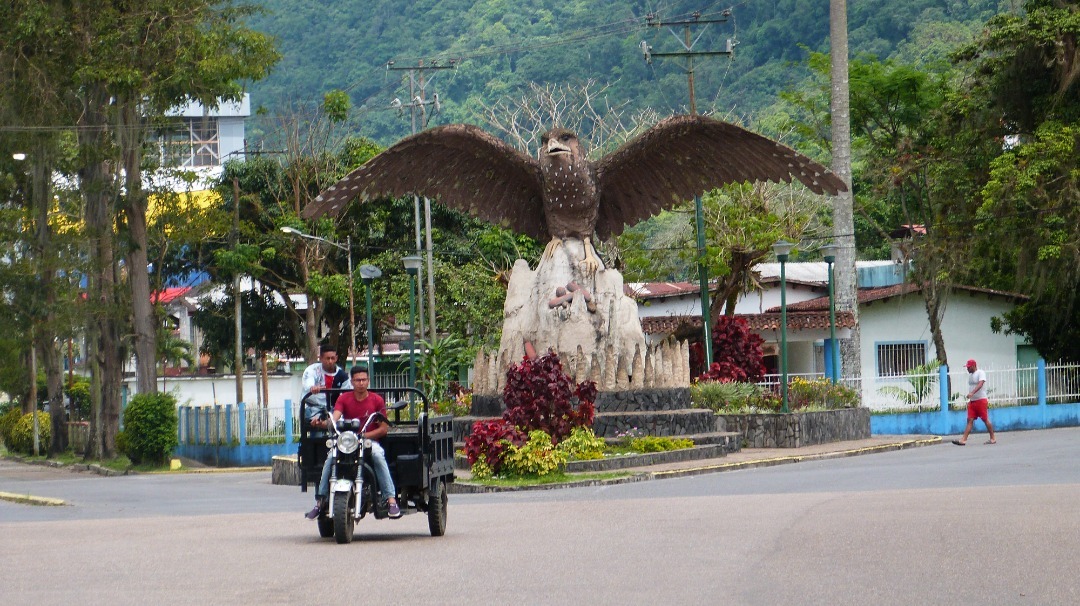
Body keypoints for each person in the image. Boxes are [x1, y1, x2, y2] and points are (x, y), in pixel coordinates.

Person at [306, 366, 402, 519]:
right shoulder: (344, 398)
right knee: (330, 459)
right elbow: (334, 418)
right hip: (348, 442)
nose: (361, 383)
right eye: (358, 380)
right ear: (352, 382)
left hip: (369, 443)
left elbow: (383, 429)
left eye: (364, 380)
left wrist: (364, 436)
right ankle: (320, 502)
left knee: (378, 456)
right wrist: (322, 423)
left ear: (368, 381)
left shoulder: (377, 400)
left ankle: (391, 500)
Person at [301, 345, 350, 428]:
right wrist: (312, 387)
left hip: (335, 410)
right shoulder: (312, 370)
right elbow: (308, 383)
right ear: (320, 358)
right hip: (313, 407)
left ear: (336, 358)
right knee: (315, 428)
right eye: (327, 358)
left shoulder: (343, 376)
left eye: (332, 358)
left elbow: (345, 396)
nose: (330, 361)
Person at [952, 358, 997, 445]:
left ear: (973, 366)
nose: (967, 369)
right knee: (970, 420)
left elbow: (981, 383)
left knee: (985, 419)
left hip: (981, 400)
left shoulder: (980, 373)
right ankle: (963, 440)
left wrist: (972, 392)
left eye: (969, 367)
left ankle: (993, 438)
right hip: (972, 402)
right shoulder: (971, 376)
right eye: (967, 367)